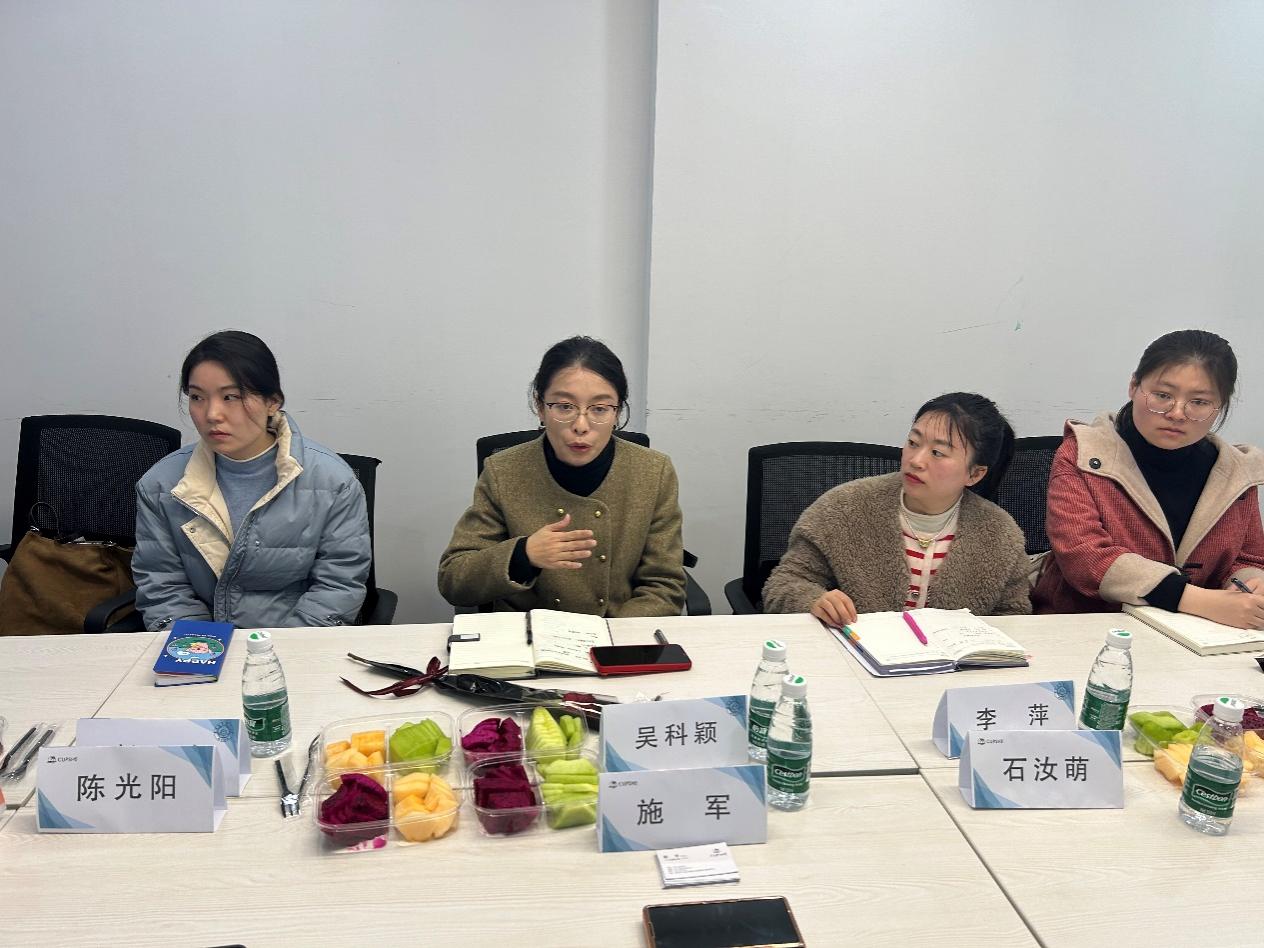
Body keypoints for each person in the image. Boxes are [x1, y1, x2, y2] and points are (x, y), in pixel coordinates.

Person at [133, 331, 371, 629]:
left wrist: (275, 651)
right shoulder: (161, 485)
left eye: (231, 397)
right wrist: (202, 649)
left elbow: (337, 586)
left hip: (295, 641)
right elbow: (163, 587)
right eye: (197, 397)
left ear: (272, 402)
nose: (212, 414)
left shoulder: (333, 481)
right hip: (200, 642)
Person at [439, 336, 686, 616]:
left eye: (600, 409)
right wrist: (524, 555)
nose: (581, 425)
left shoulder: (653, 471)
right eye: (565, 406)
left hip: (617, 633)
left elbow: (664, 586)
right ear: (540, 407)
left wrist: (614, 634)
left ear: (617, 412)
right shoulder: (503, 471)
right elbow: (454, 580)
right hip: (528, 635)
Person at [1033, 330, 1264, 627]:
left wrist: (1250, 584)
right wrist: (1198, 601)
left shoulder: (1237, 472)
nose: (1177, 414)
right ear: (1134, 386)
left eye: (1199, 402)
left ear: (1220, 406)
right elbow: (1084, 557)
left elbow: (1248, 558)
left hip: (1199, 634)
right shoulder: (1084, 454)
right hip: (1084, 625)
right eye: (1163, 396)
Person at [762, 393, 1031, 624]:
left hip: (952, 666)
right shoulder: (844, 508)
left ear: (975, 473)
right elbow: (784, 583)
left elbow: (1013, 617)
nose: (916, 460)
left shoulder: (1000, 535)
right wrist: (814, 600)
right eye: (913, 443)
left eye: (938, 453)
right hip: (852, 657)